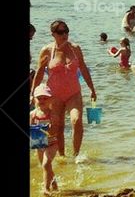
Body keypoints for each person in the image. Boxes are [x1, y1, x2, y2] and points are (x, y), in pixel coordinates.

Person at [30, 19, 97, 159]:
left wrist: (92, 88)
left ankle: (76, 156)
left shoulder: (75, 48)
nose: (64, 34)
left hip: (73, 93)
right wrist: (32, 93)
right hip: (54, 95)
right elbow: (39, 72)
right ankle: (62, 157)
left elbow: (83, 69)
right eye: (60, 32)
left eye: (66, 31)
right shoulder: (47, 50)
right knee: (58, 127)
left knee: (76, 120)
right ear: (53, 34)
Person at [30, 84, 58, 196]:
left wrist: (50, 128)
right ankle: (54, 183)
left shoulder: (53, 114)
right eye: (39, 98)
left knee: (46, 164)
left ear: (51, 99)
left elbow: (55, 131)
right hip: (38, 143)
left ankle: (46, 188)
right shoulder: (32, 114)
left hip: (51, 143)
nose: (42, 100)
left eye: (45, 98)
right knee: (45, 166)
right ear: (34, 99)